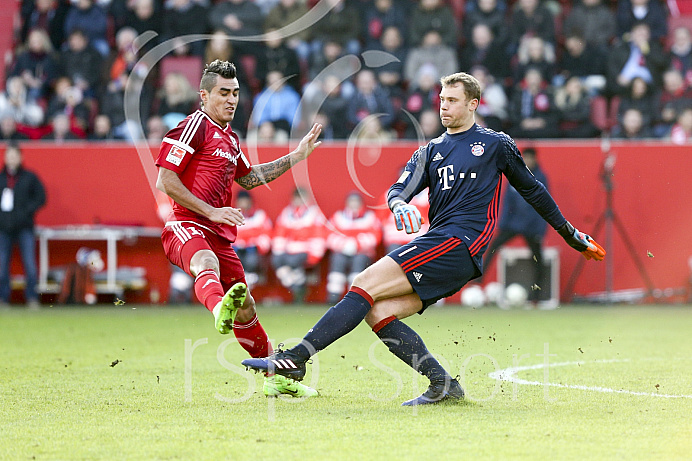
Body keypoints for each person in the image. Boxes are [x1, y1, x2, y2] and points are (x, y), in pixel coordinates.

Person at [242, 72, 605, 406]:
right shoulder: (431, 150)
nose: (444, 106)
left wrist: (570, 234)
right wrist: (399, 204)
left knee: (363, 283)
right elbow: (399, 189)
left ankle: (296, 359)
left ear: (473, 103)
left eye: (452, 100)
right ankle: (442, 384)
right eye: (442, 99)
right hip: (444, 245)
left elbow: (533, 191)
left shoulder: (495, 144)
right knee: (378, 310)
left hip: (460, 242)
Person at [155, 59, 321, 398]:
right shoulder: (194, 126)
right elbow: (165, 180)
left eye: (235, 93)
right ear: (204, 95)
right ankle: (218, 308)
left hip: (216, 232)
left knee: (246, 306)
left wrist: (296, 156)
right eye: (223, 93)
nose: (231, 100)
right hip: (186, 225)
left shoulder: (230, 138)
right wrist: (211, 211)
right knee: (207, 264)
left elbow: (249, 177)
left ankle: (274, 374)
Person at [480, 148, 549, 303]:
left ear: (535, 159)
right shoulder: (514, 176)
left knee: (538, 259)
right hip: (514, 224)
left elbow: (544, 205)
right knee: (493, 246)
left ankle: (536, 296)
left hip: (531, 227)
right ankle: (479, 279)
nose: (528, 161)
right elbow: (506, 202)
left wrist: (540, 229)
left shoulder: (541, 178)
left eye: (530, 158)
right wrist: (503, 224)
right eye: (526, 158)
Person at [0, 144, 46, 308]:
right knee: (2, 265)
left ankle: (32, 297)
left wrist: (26, 211)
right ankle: (3, 298)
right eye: (9, 155)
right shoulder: (1, 178)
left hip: (24, 227)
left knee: (30, 264)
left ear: (21, 157)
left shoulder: (29, 177)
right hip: (3, 228)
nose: (12, 159)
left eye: (14, 155)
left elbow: (41, 197)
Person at [271, 187, 327, 303]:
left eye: (301, 198)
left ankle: (299, 291)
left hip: (306, 250)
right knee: (277, 261)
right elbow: (280, 233)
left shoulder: (314, 213)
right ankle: (298, 287)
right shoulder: (287, 213)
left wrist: (315, 255)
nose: (299, 201)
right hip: (289, 250)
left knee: (293, 262)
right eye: (296, 198)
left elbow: (319, 234)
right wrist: (279, 251)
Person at [325, 192, 381, 304]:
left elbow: (375, 236)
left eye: (356, 202)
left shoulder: (370, 217)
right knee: (337, 263)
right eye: (351, 202)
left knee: (358, 266)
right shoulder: (338, 217)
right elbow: (329, 235)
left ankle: (354, 297)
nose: (354, 204)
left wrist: (357, 245)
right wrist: (343, 245)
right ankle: (333, 297)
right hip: (341, 251)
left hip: (362, 253)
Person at [233, 191, 272, 290]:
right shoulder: (232, 216)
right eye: (241, 201)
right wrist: (237, 245)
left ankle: (247, 285)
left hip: (254, 252)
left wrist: (255, 246)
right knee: (233, 262)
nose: (243, 204)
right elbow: (227, 236)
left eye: (245, 201)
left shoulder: (260, 216)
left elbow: (266, 236)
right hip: (236, 251)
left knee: (251, 260)